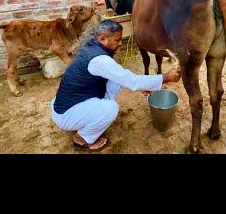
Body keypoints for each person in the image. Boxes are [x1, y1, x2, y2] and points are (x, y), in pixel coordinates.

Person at [50, 19, 181, 151]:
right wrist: (166, 77)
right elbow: (132, 81)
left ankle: (92, 115)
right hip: (65, 114)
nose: (120, 44)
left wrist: (143, 85)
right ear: (102, 39)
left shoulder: (91, 48)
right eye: (117, 40)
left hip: (67, 103)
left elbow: (124, 77)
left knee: (117, 79)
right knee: (111, 108)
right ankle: (81, 139)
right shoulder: (100, 60)